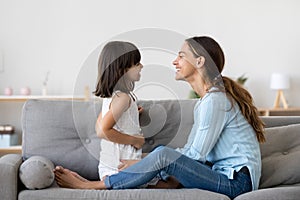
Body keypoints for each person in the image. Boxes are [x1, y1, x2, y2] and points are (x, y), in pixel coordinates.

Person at [54, 36, 265, 199]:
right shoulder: (206, 102)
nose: (175, 61)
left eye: (181, 55)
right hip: (222, 174)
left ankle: (93, 185)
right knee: (162, 156)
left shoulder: (215, 101)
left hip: (236, 183)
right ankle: (127, 180)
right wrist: (147, 163)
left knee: (163, 154)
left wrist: (145, 161)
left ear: (200, 61)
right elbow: (190, 152)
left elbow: (195, 155)